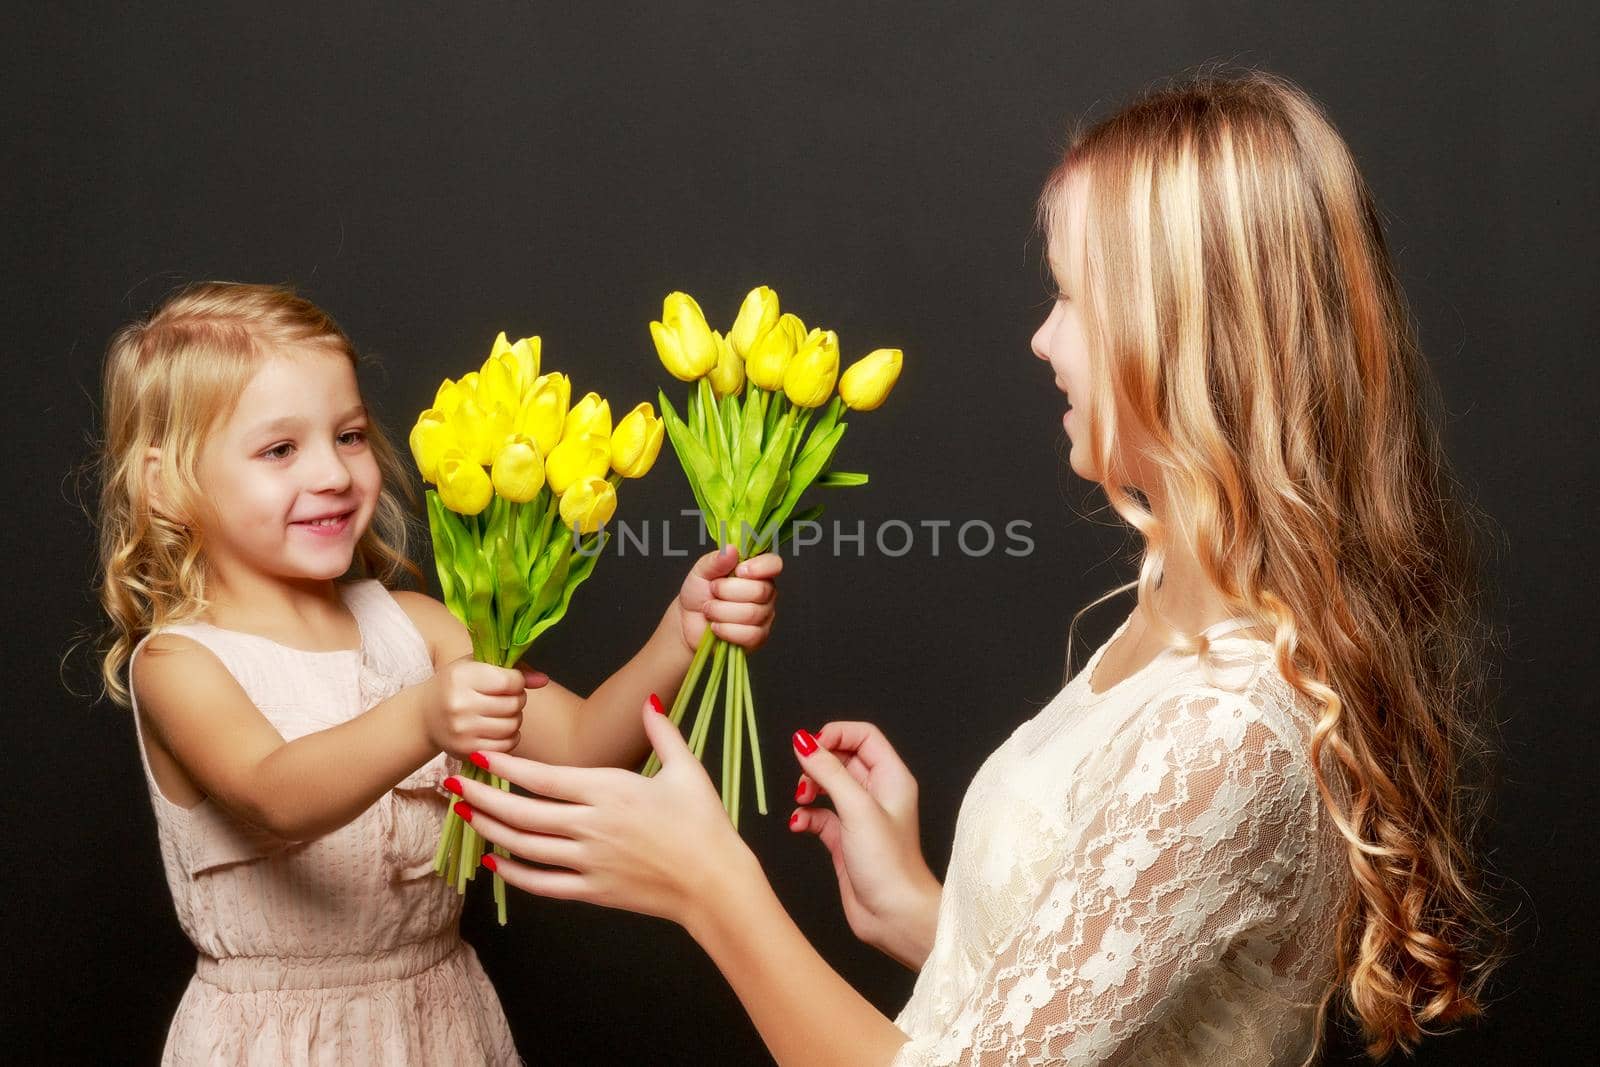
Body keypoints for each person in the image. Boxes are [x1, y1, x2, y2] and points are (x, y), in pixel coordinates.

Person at [453, 71, 1499, 1064]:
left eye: (1074, 299)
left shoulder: (1222, 726)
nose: (1044, 339)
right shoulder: (1165, 613)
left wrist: (710, 884)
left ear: (1194, 338)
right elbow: (1102, 1002)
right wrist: (917, 906)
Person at [90, 280, 783, 1064]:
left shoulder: (416, 626)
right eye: (281, 449)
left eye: (348, 435)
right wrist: (421, 717)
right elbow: (275, 795)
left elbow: (587, 745)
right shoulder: (181, 662)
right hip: (276, 1041)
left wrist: (680, 636)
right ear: (163, 483)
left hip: (440, 1021)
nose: (334, 473)